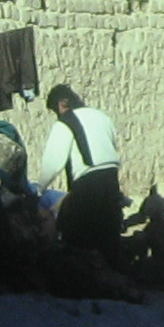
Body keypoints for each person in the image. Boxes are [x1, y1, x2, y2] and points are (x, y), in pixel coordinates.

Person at [36, 83, 126, 259]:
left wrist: (39, 189)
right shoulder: (102, 117)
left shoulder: (65, 121)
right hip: (111, 181)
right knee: (108, 238)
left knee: (79, 241)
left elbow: (53, 162)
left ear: (61, 104)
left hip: (87, 185)